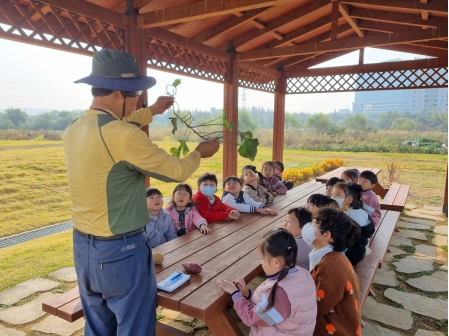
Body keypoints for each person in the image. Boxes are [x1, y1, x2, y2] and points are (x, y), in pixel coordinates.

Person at [65, 48, 219, 336]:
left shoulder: (74, 128)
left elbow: (117, 124)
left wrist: (153, 111)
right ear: (121, 93)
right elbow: (176, 171)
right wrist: (199, 152)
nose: (139, 100)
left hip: (84, 248)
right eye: (136, 94)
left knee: (98, 328)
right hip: (121, 252)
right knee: (134, 329)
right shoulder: (124, 136)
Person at [216, 228, 317, 335]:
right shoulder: (302, 273)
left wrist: (235, 294)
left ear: (276, 262)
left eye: (262, 257)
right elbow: (270, 304)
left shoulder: (280, 293)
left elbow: (251, 318)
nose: (261, 262)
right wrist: (247, 293)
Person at [301, 208, 361, 335]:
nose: (309, 225)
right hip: (342, 322)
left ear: (325, 235)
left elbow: (317, 307)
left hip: (334, 329)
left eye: (314, 222)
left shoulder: (328, 266)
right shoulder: (333, 255)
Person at [332, 182, 375, 266]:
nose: (332, 198)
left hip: (351, 254)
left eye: (337, 195)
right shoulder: (354, 211)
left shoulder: (351, 215)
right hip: (356, 249)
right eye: (332, 194)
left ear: (349, 200)